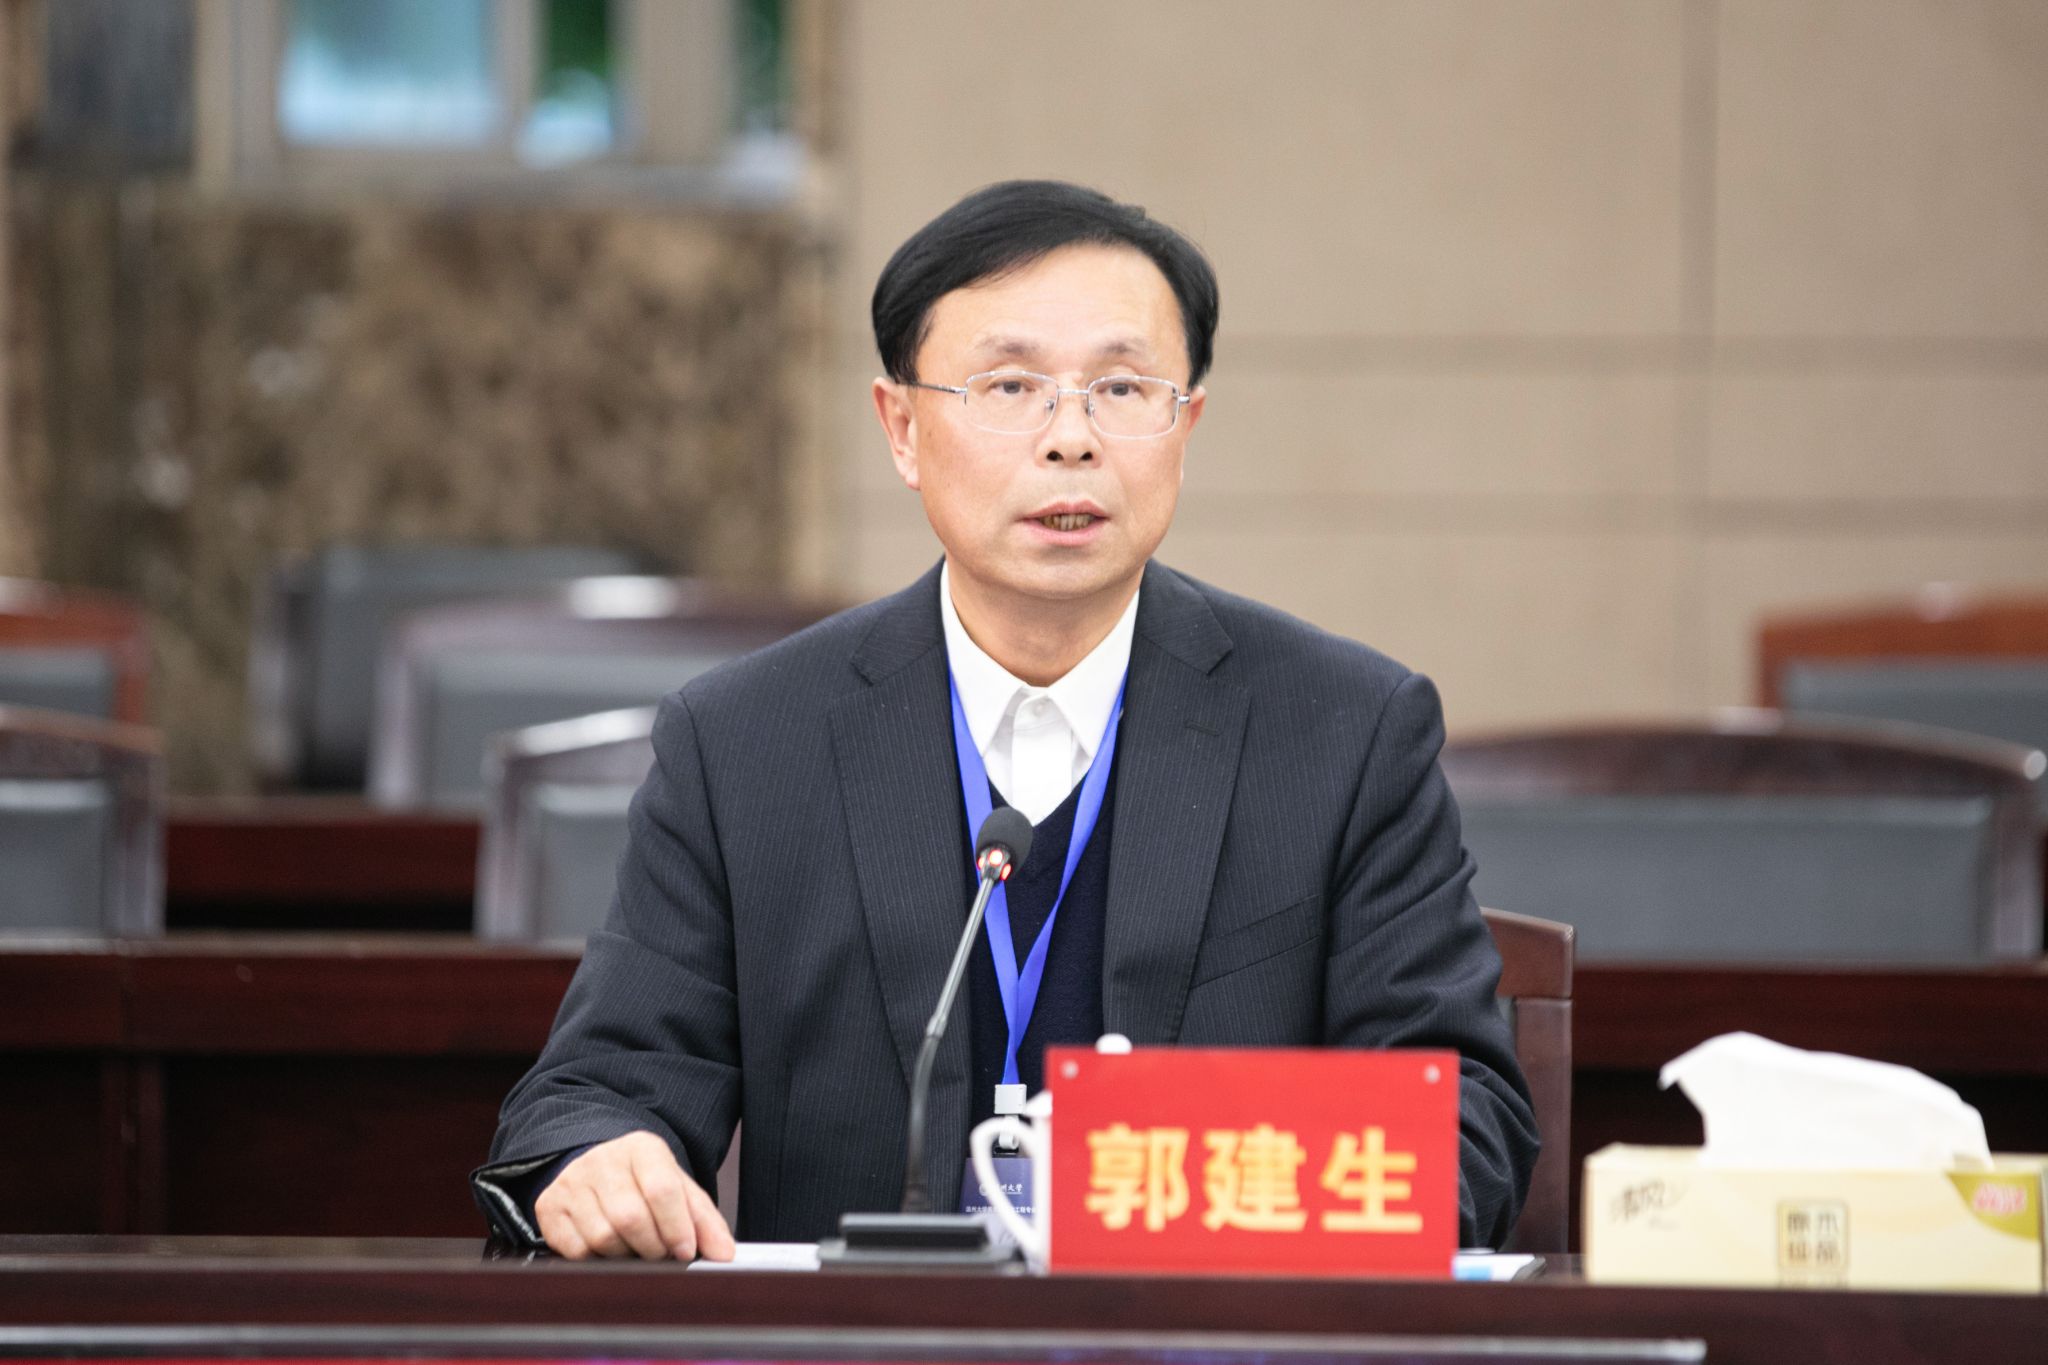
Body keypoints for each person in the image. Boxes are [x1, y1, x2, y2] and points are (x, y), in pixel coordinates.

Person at [473, 180, 1538, 1261]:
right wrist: (603, 1157)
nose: (1070, 439)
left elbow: (1465, 1126)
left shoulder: (1343, 734)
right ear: (901, 428)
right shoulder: (744, 743)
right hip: (861, 1341)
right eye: (1011, 386)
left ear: (1185, 427)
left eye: (1121, 388)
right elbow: (593, 1094)